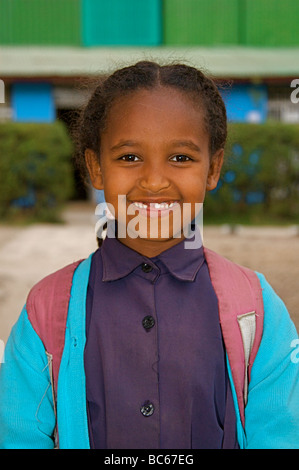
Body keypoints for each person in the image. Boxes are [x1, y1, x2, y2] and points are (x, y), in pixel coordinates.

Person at [0, 61, 298, 449]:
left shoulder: (256, 311)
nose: (155, 181)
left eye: (180, 158)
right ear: (96, 168)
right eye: (128, 157)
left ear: (214, 167)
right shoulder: (47, 310)